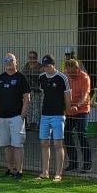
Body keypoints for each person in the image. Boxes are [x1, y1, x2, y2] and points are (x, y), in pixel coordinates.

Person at [0, 53, 31, 181]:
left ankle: (19, 170)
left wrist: (22, 116)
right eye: (6, 60)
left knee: (17, 144)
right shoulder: (0, 78)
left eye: (11, 60)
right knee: (6, 144)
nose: (8, 62)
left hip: (16, 117)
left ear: (16, 62)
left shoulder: (21, 78)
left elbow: (27, 99)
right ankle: (10, 168)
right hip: (1, 117)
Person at [37, 54, 71, 182]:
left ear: (53, 65)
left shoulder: (62, 77)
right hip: (45, 114)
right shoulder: (42, 77)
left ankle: (58, 173)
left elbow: (68, 97)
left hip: (58, 114)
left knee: (57, 144)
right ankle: (45, 172)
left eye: (48, 66)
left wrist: (65, 111)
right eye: (44, 66)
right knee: (44, 143)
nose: (46, 69)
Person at [64, 59, 92, 173]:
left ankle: (87, 163)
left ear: (77, 68)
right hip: (69, 109)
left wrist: (78, 105)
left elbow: (85, 95)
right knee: (67, 134)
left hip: (82, 109)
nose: (71, 75)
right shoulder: (64, 75)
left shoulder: (84, 77)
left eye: (73, 73)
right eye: (69, 72)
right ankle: (73, 162)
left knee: (81, 134)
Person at [22, 51, 44, 131]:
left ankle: (37, 124)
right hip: (28, 90)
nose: (32, 59)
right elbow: (24, 75)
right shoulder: (27, 66)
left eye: (33, 57)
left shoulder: (40, 66)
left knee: (37, 107)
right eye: (30, 57)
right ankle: (29, 123)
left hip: (37, 90)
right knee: (28, 107)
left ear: (36, 58)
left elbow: (41, 77)